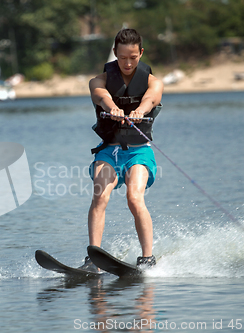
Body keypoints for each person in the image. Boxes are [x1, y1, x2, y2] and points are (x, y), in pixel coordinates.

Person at [81, 28, 163, 271]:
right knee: (100, 196)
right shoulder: (99, 80)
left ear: (141, 53)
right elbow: (99, 94)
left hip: (139, 152)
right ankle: (93, 257)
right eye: (123, 57)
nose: (127, 63)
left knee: (134, 198)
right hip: (109, 152)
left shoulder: (153, 82)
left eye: (133, 57)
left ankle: (147, 258)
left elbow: (152, 98)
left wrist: (141, 110)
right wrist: (112, 106)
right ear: (114, 53)